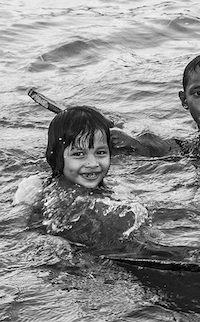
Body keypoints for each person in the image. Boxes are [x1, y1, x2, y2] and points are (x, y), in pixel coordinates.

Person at [13, 105, 148, 249]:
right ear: (57, 156)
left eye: (100, 153)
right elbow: (18, 232)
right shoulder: (35, 187)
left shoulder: (115, 192)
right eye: (78, 154)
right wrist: (49, 242)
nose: (93, 163)